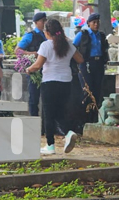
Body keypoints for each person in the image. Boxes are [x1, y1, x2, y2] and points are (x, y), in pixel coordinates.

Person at [27, 18, 84, 155]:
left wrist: (28, 69)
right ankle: (68, 132)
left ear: (47, 32)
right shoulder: (68, 45)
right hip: (65, 82)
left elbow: (38, 65)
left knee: (48, 114)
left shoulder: (46, 45)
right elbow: (80, 59)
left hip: (49, 82)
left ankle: (50, 145)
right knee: (61, 111)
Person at [73, 13, 109, 123]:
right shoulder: (83, 34)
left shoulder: (101, 35)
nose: (96, 24)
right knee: (88, 91)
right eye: (94, 22)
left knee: (97, 91)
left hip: (98, 64)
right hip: (86, 64)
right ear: (89, 23)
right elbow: (73, 47)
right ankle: (85, 119)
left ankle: (94, 118)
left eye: (98, 22)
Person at [15, 12, 48, 116]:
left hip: (47, 71)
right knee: (34, 98)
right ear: (36, 22)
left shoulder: (47, 35)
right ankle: (34, 120)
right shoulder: (30, 36)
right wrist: (32, 54)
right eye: (43, 21)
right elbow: (18, 51)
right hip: (35, 72)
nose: (45, 23)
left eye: (45, 20)